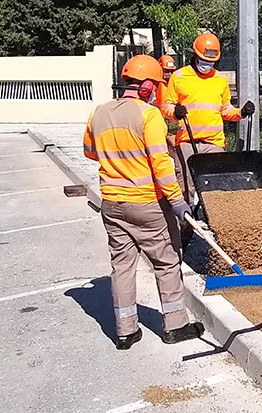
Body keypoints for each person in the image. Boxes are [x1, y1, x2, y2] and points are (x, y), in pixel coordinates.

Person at [84, 55, 205, 350]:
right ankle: (175, 326)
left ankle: (126, 331)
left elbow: (90, 152)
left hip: (112, 203)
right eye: (157, 85)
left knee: (122, 266)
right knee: (166, 262)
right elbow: (161, 164)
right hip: (148, 204)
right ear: (148, 86)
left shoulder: (98, 113)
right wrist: (177, 202)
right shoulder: (149, 116)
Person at [162, 33, 255, 204]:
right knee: (185, 188)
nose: (207, 64)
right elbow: (166, 107)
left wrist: (241, 112)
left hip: (214, 143)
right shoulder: (179, 77)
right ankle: (185, 227)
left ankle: (215, 224)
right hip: (187, 143)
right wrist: (175, 112)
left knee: (217, 189)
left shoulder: (220, 79)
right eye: (204, 59)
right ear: (195, 55)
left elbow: (225, 110)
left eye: (211, 61)